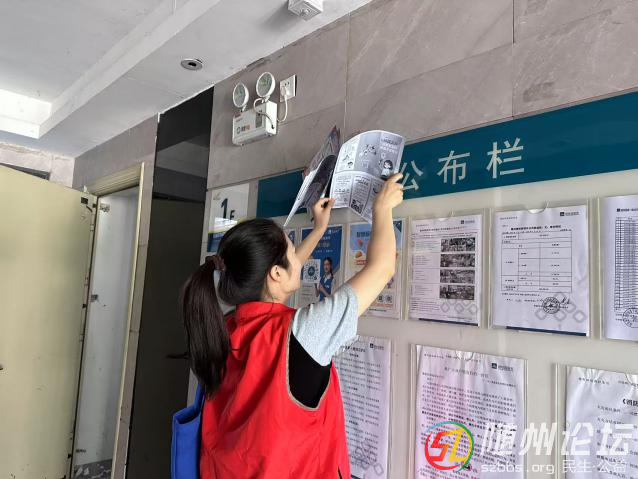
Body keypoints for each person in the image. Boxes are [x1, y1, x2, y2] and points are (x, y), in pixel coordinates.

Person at [181, 173, 404, 478]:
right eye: (291, 251)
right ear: (275, 273)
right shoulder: (302, 333)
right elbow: (382, 269)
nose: (298, 260)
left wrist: (319, 229)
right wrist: (383, 208)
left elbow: (276, 281)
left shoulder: (225, 326)